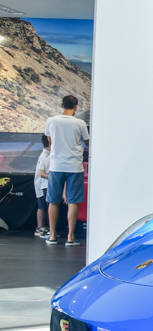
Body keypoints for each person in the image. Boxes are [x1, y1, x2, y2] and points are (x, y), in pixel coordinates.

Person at [44, 95, 90, 247]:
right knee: (73, 202)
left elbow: (49, 142)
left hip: (56, 166)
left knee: (53, 201)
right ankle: (70, 237)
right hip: (74, 167)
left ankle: (52, 235)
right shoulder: (80, 123)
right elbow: (88, 143)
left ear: (62, 104)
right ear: (76, 106)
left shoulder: (51, 121)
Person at [33, 135, 50, 238]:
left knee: (43, 205)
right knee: (42, 205)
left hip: (43, 184)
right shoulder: (44, 156)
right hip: (41, 184)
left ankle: (43, 226)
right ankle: (40, 227)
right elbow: (41, 173)